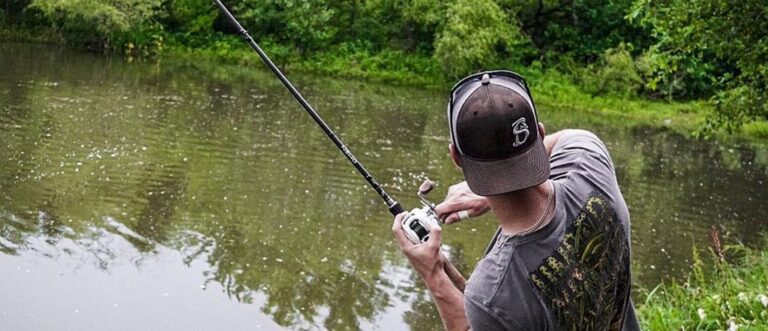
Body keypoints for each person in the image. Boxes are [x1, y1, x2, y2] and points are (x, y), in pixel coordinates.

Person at [392, 70, 640, 330]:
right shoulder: (589, 163)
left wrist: (433, 277)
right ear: (539, 133)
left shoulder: (492, 293)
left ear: (456, 158)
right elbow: (567, 137)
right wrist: (501, 183)